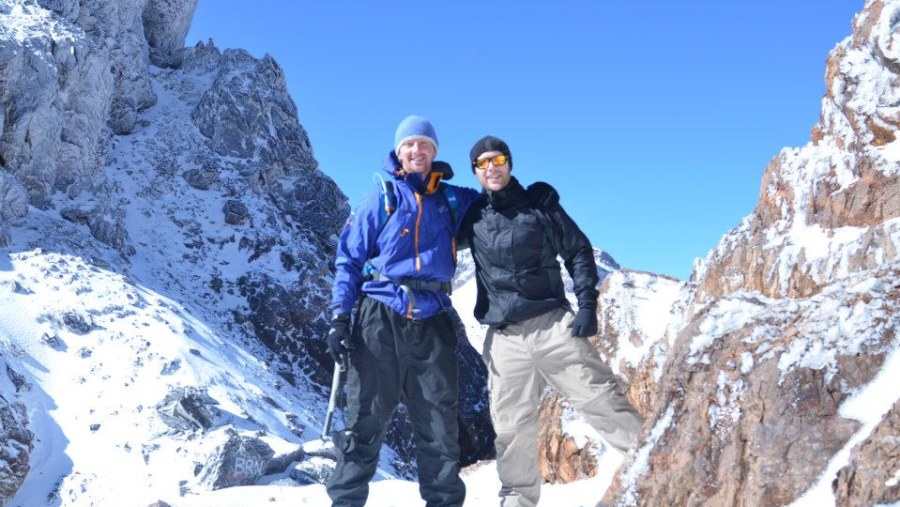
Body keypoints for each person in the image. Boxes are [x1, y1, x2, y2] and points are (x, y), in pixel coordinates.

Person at [459, 135, 644, 507]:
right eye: (483, 163)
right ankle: (517, 500)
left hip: (552, 324)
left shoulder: (540, 206)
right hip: (504, 337)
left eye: (498, 160)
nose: (491, 168)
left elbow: (577, 250)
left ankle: (654, 462)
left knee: (600, 398)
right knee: (511, 429)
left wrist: (588, 303)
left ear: (510, 163)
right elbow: (425, 232)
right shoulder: (474, 217)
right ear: (475, 172)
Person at [325, 115, 479, 507]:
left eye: (424, 145)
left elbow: (498, 203)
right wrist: (340, 317)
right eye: (409, 144)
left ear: (434, 152)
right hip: (380, 316)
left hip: (434, 320)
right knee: (364, 424)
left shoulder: (452, 200)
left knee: (440, 431)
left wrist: (528, 196)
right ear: (399, 151)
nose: (417, 151)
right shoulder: (382, 195)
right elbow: (349, 259)